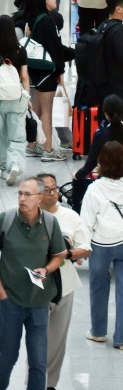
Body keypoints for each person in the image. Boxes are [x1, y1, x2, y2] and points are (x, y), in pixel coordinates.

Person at [0, 176, 66, 390]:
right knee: (7, 357)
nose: (21, 198)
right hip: (10, 301)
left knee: (38, 362)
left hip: (39, 303)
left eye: (27, 194)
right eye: (19, 193)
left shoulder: (50, 223)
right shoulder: (5, 220)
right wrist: (0, 290)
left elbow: (59, 255)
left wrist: (46, 269)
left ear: (40, 197)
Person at [36, 173, 91, 388]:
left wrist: (67, 253)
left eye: (55, 188)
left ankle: (50, 384)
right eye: (47, 190)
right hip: (35, 288)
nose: (53, 194)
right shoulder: (27, 217)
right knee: (36, 340)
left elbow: (85, 249)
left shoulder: (70, 217)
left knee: (57, 341)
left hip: (64, 286)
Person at [80, 141, 123, 347]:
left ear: (101, 162)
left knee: (98, 287)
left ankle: (98, 331)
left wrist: (82, 249)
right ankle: (121, 338)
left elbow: (86, 222)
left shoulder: (94, 189)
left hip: (101, 244)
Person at [23, 0, 69, 161]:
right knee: (47, 112)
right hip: (47, 70)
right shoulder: (48, 21)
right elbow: (55, 49)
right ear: (44, 0)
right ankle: (48, 149)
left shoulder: (34, 19)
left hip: (36, 70)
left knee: (36, 109)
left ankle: (31, 145)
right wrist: (60, 72)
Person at [0, 15, 30, 185]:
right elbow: (24, 76)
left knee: (1, 135)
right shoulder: (20, 50)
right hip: (17, 97)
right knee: (17, 135)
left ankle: (5, 168)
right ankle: (16, 164)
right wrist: (27, 96)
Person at [75, 94, 123, 181]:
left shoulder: (100, 135)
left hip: (107, 179)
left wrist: (78, 175)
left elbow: (91, 163)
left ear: (105, 113)